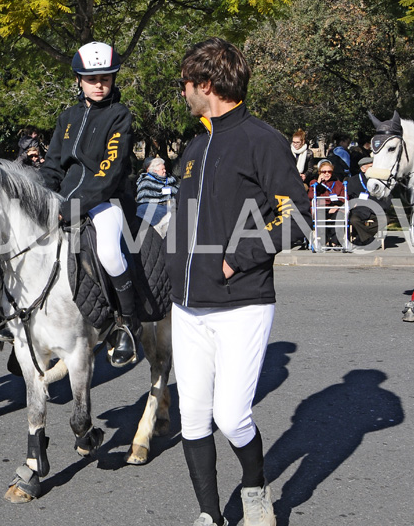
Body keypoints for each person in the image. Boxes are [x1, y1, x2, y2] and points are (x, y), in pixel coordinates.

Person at [166, 37, 311, 526]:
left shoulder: (261, 139)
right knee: (192, 418)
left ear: (205, 84)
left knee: (231, 417)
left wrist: (236, 258)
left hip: (242, 303)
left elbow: (298, 216)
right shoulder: (195, 143)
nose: (183, 94)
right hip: (186, 307)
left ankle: (254, 489)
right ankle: (209, 514)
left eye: (186, 85)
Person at [37, 41, 142, 368]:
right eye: (92, 79)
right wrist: (41, 194)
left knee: (109, 252)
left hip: (105, 199)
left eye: (106, 78)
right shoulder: (67, 117)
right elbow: (53, 165)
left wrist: (73, 207)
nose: (99, 85)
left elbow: (109, 173)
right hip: (63, 197)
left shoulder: (119, 116)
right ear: (79, 80)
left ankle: (128, 322)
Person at [346, 156, 390, 247]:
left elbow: (387, 195)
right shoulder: (353, 181)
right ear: (363, 169)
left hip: (376, 208)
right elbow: (348, 196)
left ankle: (363, 237)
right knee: (354, 220)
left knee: (385, 219)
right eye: (371, 167)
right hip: (360, 209)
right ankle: (367, 238)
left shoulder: (380, 180)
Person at [308, 159, 345, 246]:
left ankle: (335, 241)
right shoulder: (314, 183)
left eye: (329, 171)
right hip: (320, 207)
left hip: (334, 206)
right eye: (324, 171)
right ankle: (323, 240)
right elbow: (311, 196)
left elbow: (344, 198)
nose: (327, 173)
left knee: (338, 216)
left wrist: (336, 206)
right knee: (320, 215)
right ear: (319, 172)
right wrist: (319, 183)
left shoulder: (338, 183)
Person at [136, 157, 178, 226]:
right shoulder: (146, 182)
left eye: (165, 169)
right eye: (162, 169)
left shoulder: (170, 180)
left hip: (170, 208)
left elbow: (176, 191)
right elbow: (144, 199)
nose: (164, 171)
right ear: (155, 171)